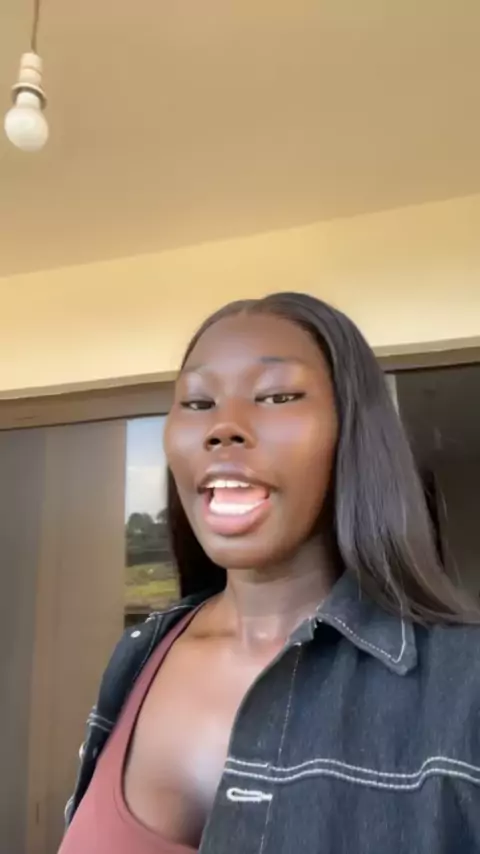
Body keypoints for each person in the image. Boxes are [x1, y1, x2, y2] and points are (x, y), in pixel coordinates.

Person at [59, 292, 480, 854]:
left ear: (351, 431)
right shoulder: (137, 658)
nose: (223, 427)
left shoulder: (465, 685)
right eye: (198, 402)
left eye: (278, 396)